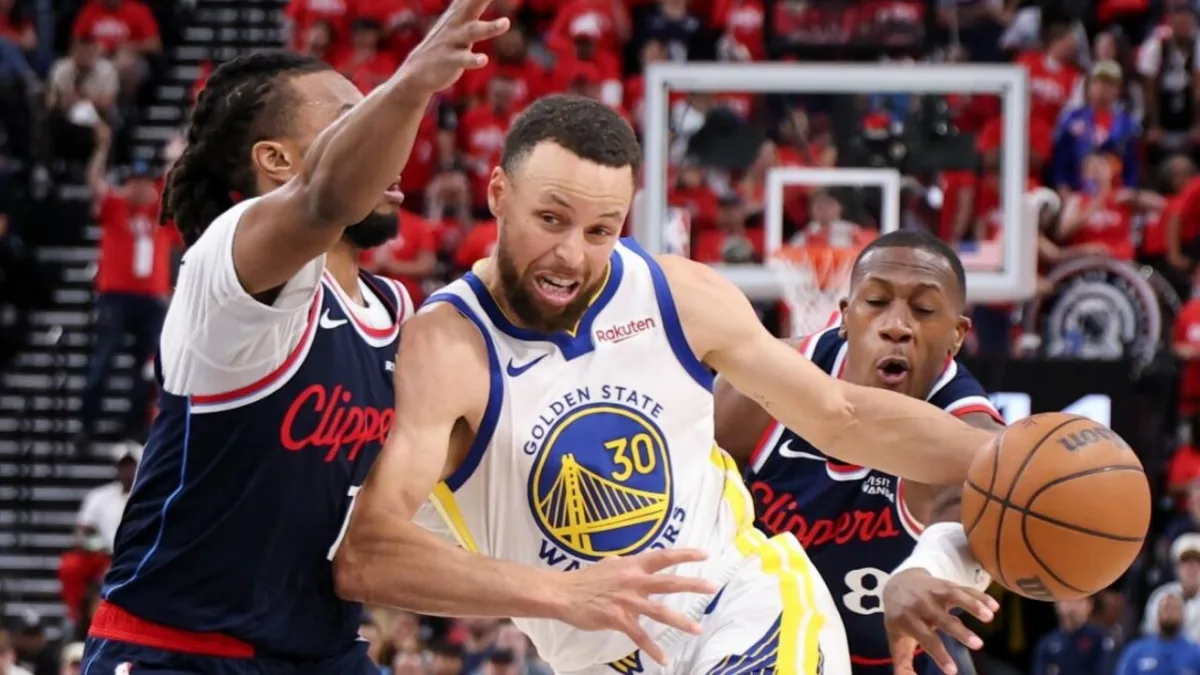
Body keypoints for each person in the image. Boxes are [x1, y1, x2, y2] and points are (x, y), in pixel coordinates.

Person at [331, 93, 1000, 674]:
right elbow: (367, 554)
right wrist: (557, 593)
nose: (573, 256)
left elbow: (841, 413)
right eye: (551, 219)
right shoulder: (447, 347)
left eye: (602, 230)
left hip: (744, 605)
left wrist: (1006, 454)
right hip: (593, 655)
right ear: (499, 195)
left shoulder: (676, 294)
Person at [713, 229, 1005, 675]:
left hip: (897, 658)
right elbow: (687, 497)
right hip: (760, 644)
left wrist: (926, 569)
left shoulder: (967, 425)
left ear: (957, 335)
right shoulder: (760, 387)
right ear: (845, 316)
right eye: (876, 302)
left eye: (924, 310)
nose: (897, 326)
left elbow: (960, 510)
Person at [1116, 593, 1200, 675]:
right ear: (1157, 613)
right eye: (1166, 608)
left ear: (1183, 615)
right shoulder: (1136, 652)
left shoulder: (1196, 654)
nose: (1170, 613)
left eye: (1175, 609)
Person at [1033, 597, 1116, 675]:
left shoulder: (1100, 637)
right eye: (1066, 600)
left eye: (1078, 601)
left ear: (1089, 605)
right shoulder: (1047, 644)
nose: (1072, 607)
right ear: (1056, 604)